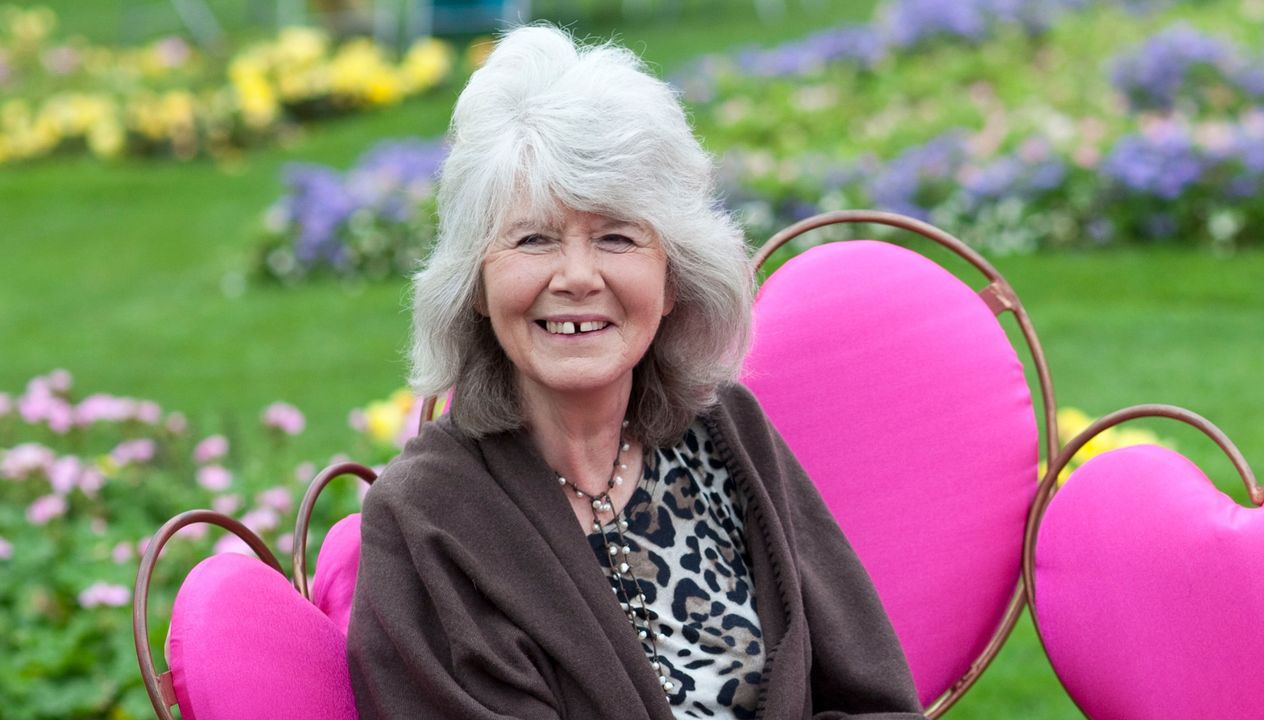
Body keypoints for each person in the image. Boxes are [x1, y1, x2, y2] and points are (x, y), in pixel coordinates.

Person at [346, 25, 924, 720]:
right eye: (534, 239)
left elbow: (871, 696)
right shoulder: (427, 519)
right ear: (475, 282)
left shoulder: (726, 435)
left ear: (673, 277)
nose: (579, 277)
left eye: (616, 237)